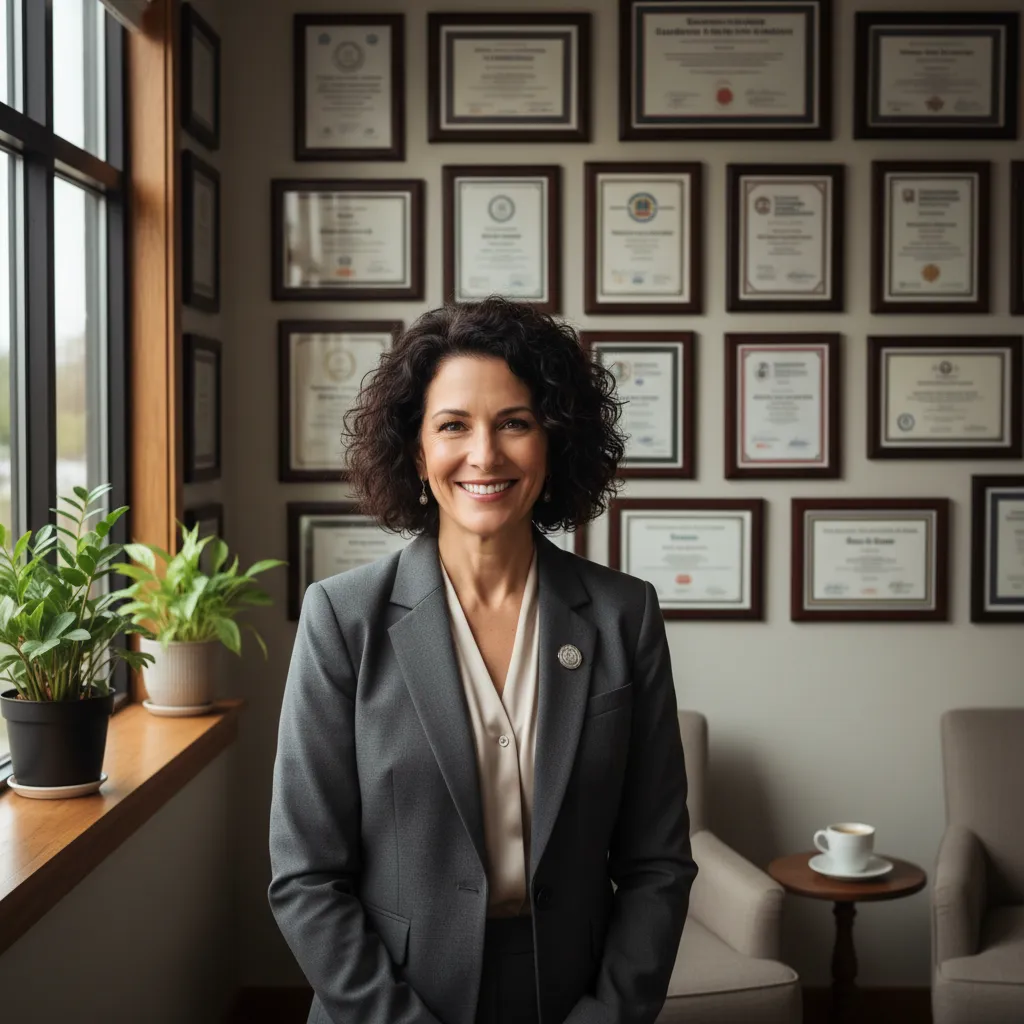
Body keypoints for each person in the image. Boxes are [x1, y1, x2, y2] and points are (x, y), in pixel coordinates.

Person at [268, 297, 698, 1024]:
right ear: (416, 451)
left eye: (515, 423)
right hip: (388, 1001)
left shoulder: (625, 615)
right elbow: (305, 877)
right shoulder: (342, 619)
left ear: (554, 441)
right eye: (453, 426)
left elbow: (658, 862)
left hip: (571, 996)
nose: (486, 455)